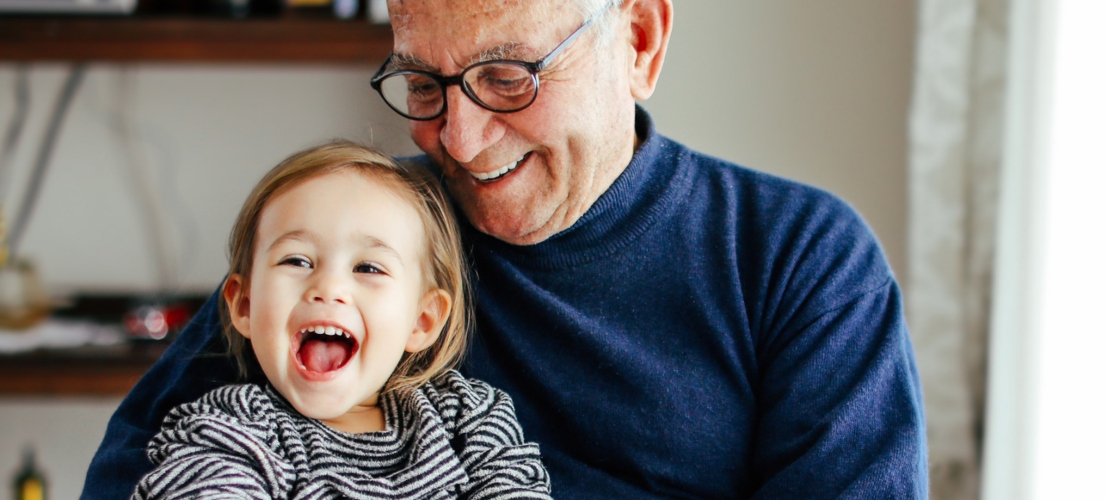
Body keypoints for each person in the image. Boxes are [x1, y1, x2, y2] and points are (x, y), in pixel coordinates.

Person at [87, 0, 928, 497]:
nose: (460, 137)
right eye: (423, 83)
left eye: (507, 77)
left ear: (639, 40)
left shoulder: (800, 261)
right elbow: (130, 471)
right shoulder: (363, 237)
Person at [131, 142, 552, 499]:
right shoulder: (231, 429)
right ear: (243, 305)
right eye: (297, 260)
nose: (328, 287)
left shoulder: (469, 417)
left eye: (368, 268)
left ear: (422, 321)